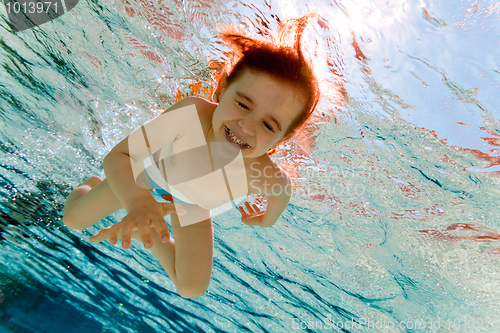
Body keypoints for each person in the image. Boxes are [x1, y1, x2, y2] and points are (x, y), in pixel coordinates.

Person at [63, 13, 320, 299]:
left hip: (193, 206)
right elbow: (118, 156)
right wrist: (138, 201)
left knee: (191, 288)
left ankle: (147, 230)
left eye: (269, 125)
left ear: (280, 139)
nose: (247, 127)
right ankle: (89, 185)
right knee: (73, 219)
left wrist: (266, 220)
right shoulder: (193, 115)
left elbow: (283, 191)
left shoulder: (264, 174)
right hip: (147, 179)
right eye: (243, 105)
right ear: (222, 90)